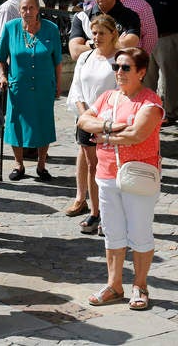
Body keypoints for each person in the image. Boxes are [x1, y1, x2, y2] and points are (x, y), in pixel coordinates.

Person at [77, 47, 163, 310]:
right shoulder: (108, 97)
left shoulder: (150, 102)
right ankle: (114, 285)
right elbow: (83, 121)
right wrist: (111, 127)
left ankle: (140, 285)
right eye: (117, 67)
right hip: (107, 174)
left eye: (126, 68)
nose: (119, 73)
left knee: (139, 231)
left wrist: (104, 137)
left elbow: (138, 134)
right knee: (112, 232)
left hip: (138, 175)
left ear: (141, 72)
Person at [0, 0, 62, 182]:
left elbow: (57, 61)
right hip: (19, 87)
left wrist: (58, 84)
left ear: (38, 9)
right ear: (19, 10)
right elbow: (1, 58)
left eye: (31, 7)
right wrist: (2, 76)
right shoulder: (11, 28)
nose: (27, 11)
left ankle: (42, 166)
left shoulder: (51, 29)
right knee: (15, 124)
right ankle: (19, 164)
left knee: (44, 123)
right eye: (24, 8)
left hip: (43, 86)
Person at [66, 15, 118, 233]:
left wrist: (102, 120)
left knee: (110, 168)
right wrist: (85, 116)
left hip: (109, 122)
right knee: (93, 166)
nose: (96, 38)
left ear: (113, 34)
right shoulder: (85, 58)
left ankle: (112, 215)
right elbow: (76, 89)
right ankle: (95, 212)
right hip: (86, 120)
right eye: (94, 33)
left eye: (101, 33)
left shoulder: (119, 60)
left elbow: (122, 92)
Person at [69, 0, 140, 61]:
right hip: (89, 74)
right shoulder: (81, 18)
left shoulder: (130, 16)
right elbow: (75, 53)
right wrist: (115, 43)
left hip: (118, 73)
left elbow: (128, 45)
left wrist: (90, 44)